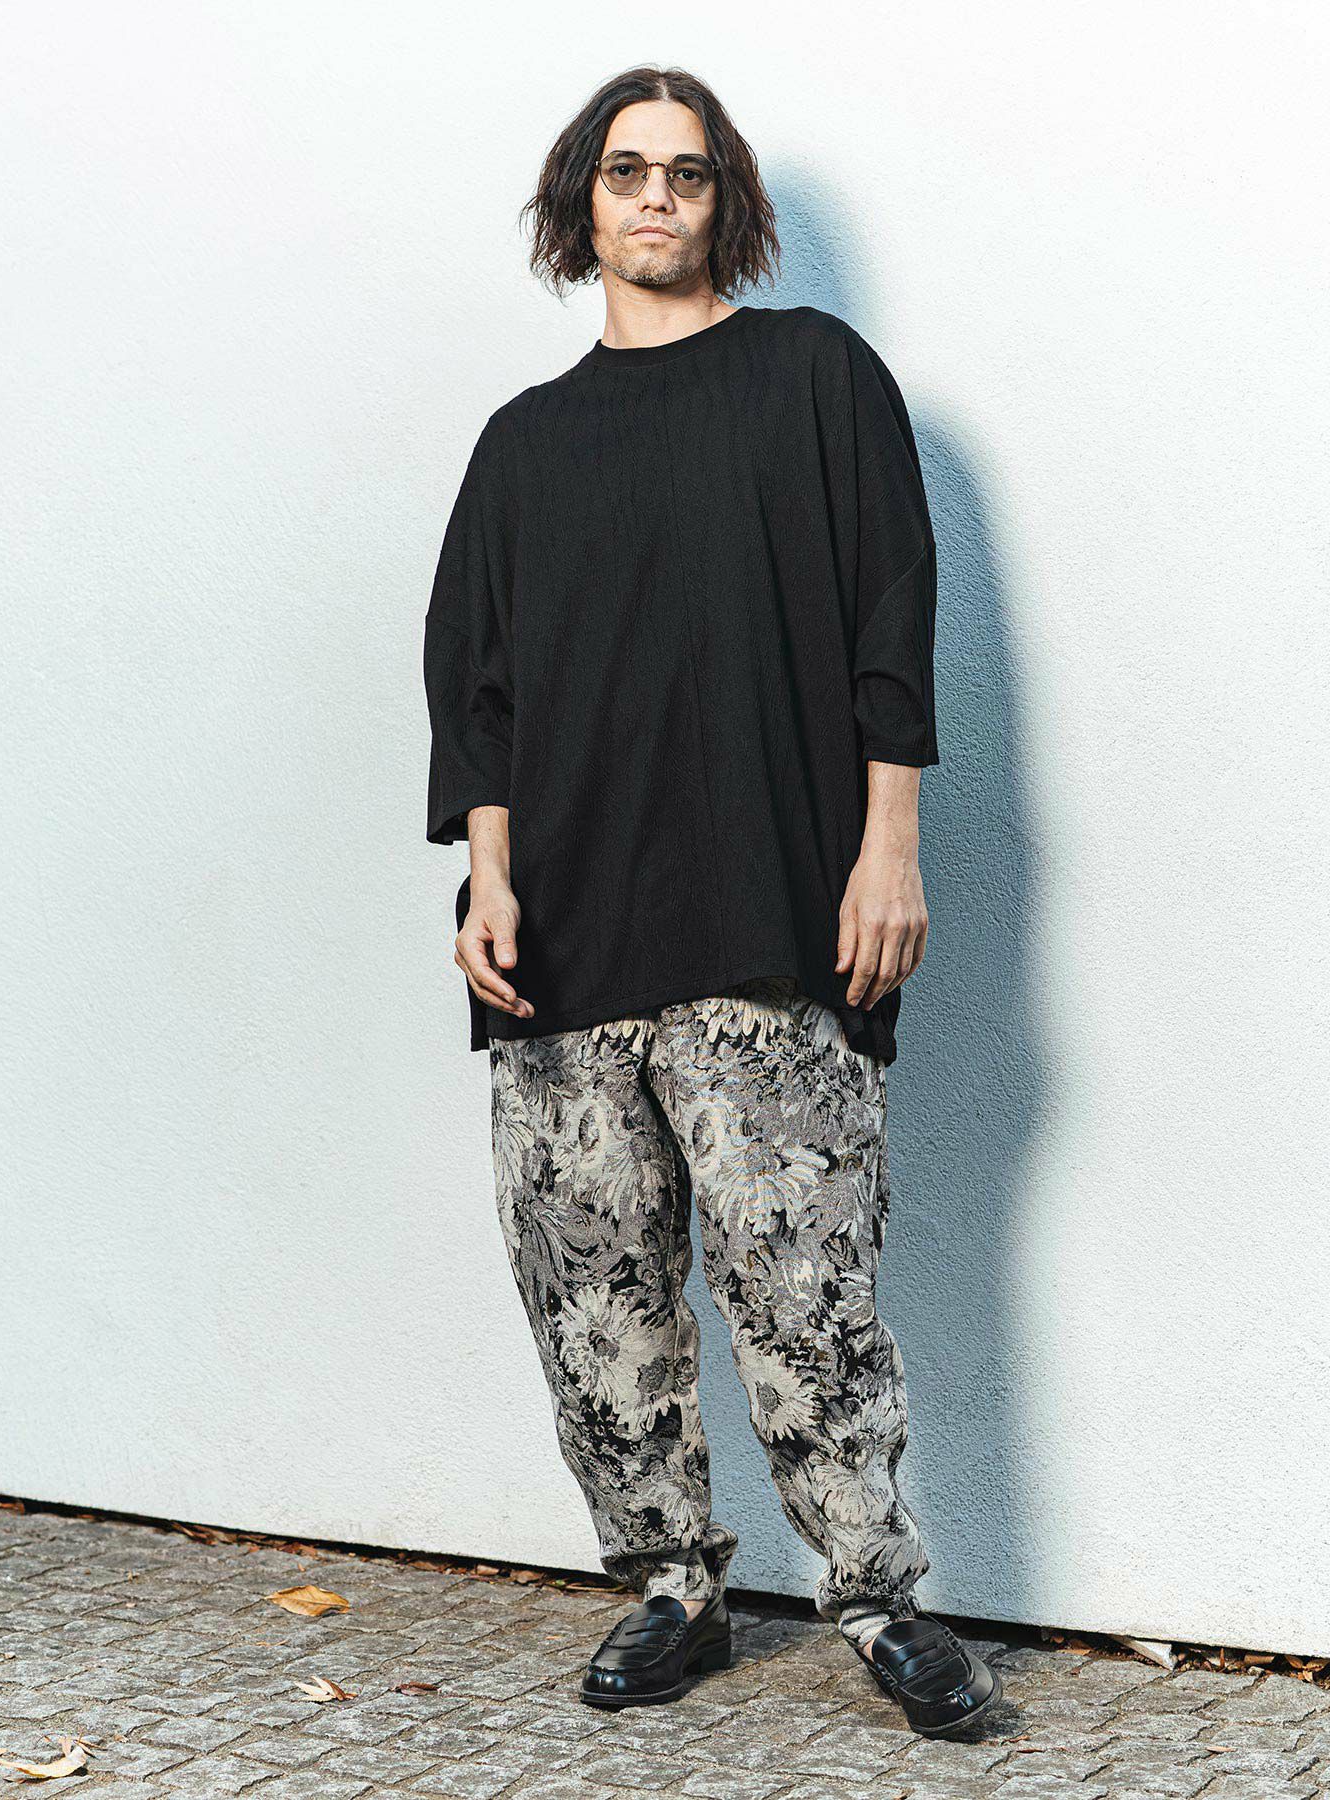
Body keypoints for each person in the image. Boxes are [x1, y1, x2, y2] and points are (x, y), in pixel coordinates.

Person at [422, 63, 1002, 1739]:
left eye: (685, 173)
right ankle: (671, 1586)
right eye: (626, 172)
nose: (655, 198)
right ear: (582, 204)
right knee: (593, 1294)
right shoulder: (523, 444)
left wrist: (890, 847)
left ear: (723, 201)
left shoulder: (816, 378)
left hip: (771, 921)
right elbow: (478, 688)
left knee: (804, 1293)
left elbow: (893, 616)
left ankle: (879, 1601)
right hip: (564, 943)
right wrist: (488, 878)